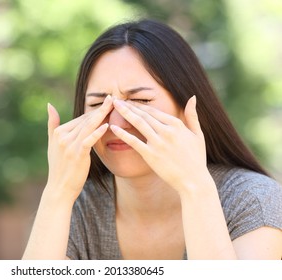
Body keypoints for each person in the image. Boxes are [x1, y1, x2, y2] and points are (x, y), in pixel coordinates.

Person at [22, 19, 282, 260]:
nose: (115, 122)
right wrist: (57, 192)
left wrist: (194, 187)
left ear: (187, 108)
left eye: (140, 101)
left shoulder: (253, 200)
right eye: (98, 103)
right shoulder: (78, 209)